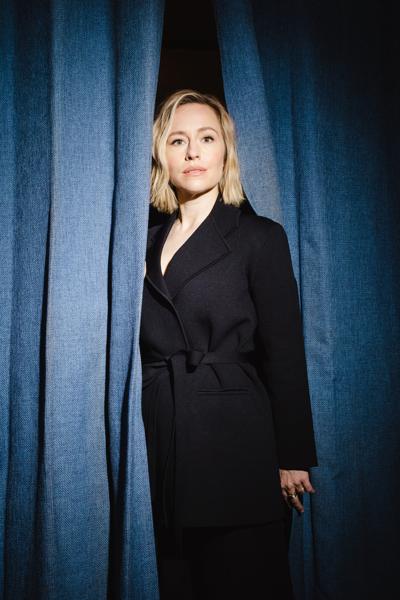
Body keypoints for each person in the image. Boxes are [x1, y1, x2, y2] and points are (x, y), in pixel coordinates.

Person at [139, 89, 318, 600]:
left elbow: (284, 350)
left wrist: (292, 456)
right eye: (178, 140)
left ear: (225, 151)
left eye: (207, 138)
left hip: (234, 444)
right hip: (160, 438)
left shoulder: (259, 236)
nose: (193, 151)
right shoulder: (140, 240)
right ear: (161, 154)